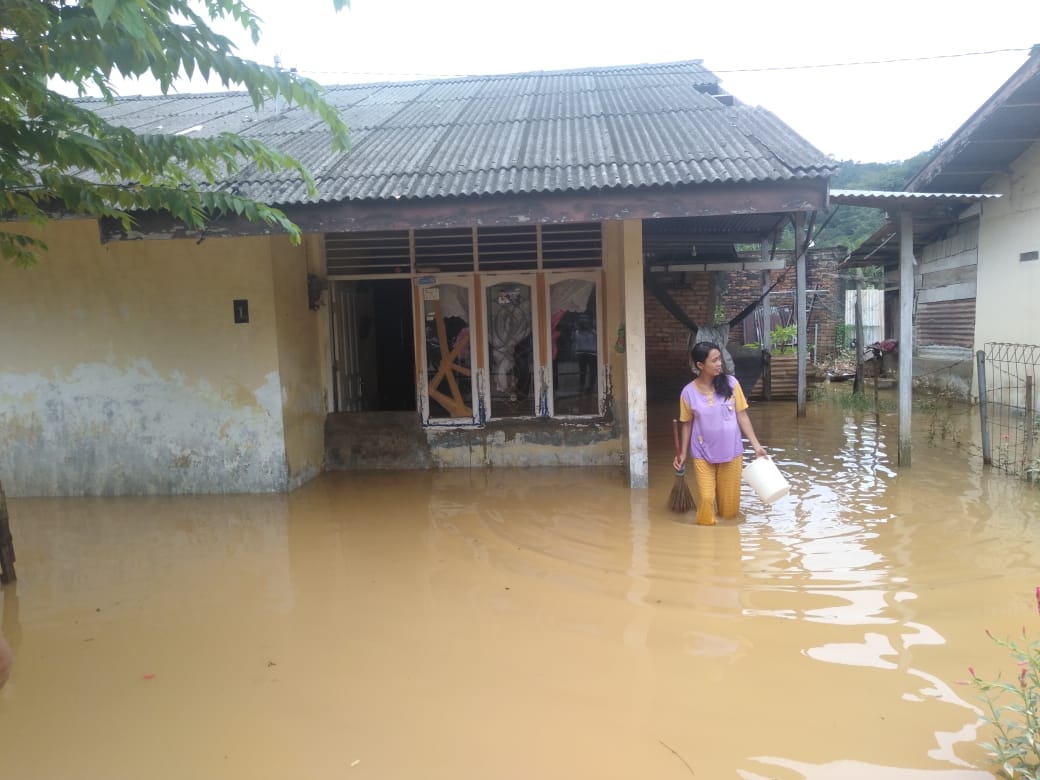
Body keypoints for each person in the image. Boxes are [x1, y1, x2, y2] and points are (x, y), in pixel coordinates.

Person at [674, 341, 768, 526]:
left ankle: (726, 546)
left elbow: (742, 416)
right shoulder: (688, 392)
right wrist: (683, 453)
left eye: (719, 359)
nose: (719, 364)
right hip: (702, 453)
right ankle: (706, 544)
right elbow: (686, 424)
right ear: (700, 365)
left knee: (729, 512)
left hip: (731, 452)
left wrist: (756, 446)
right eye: (714, 360)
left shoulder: (732, 383)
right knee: (707, 499)